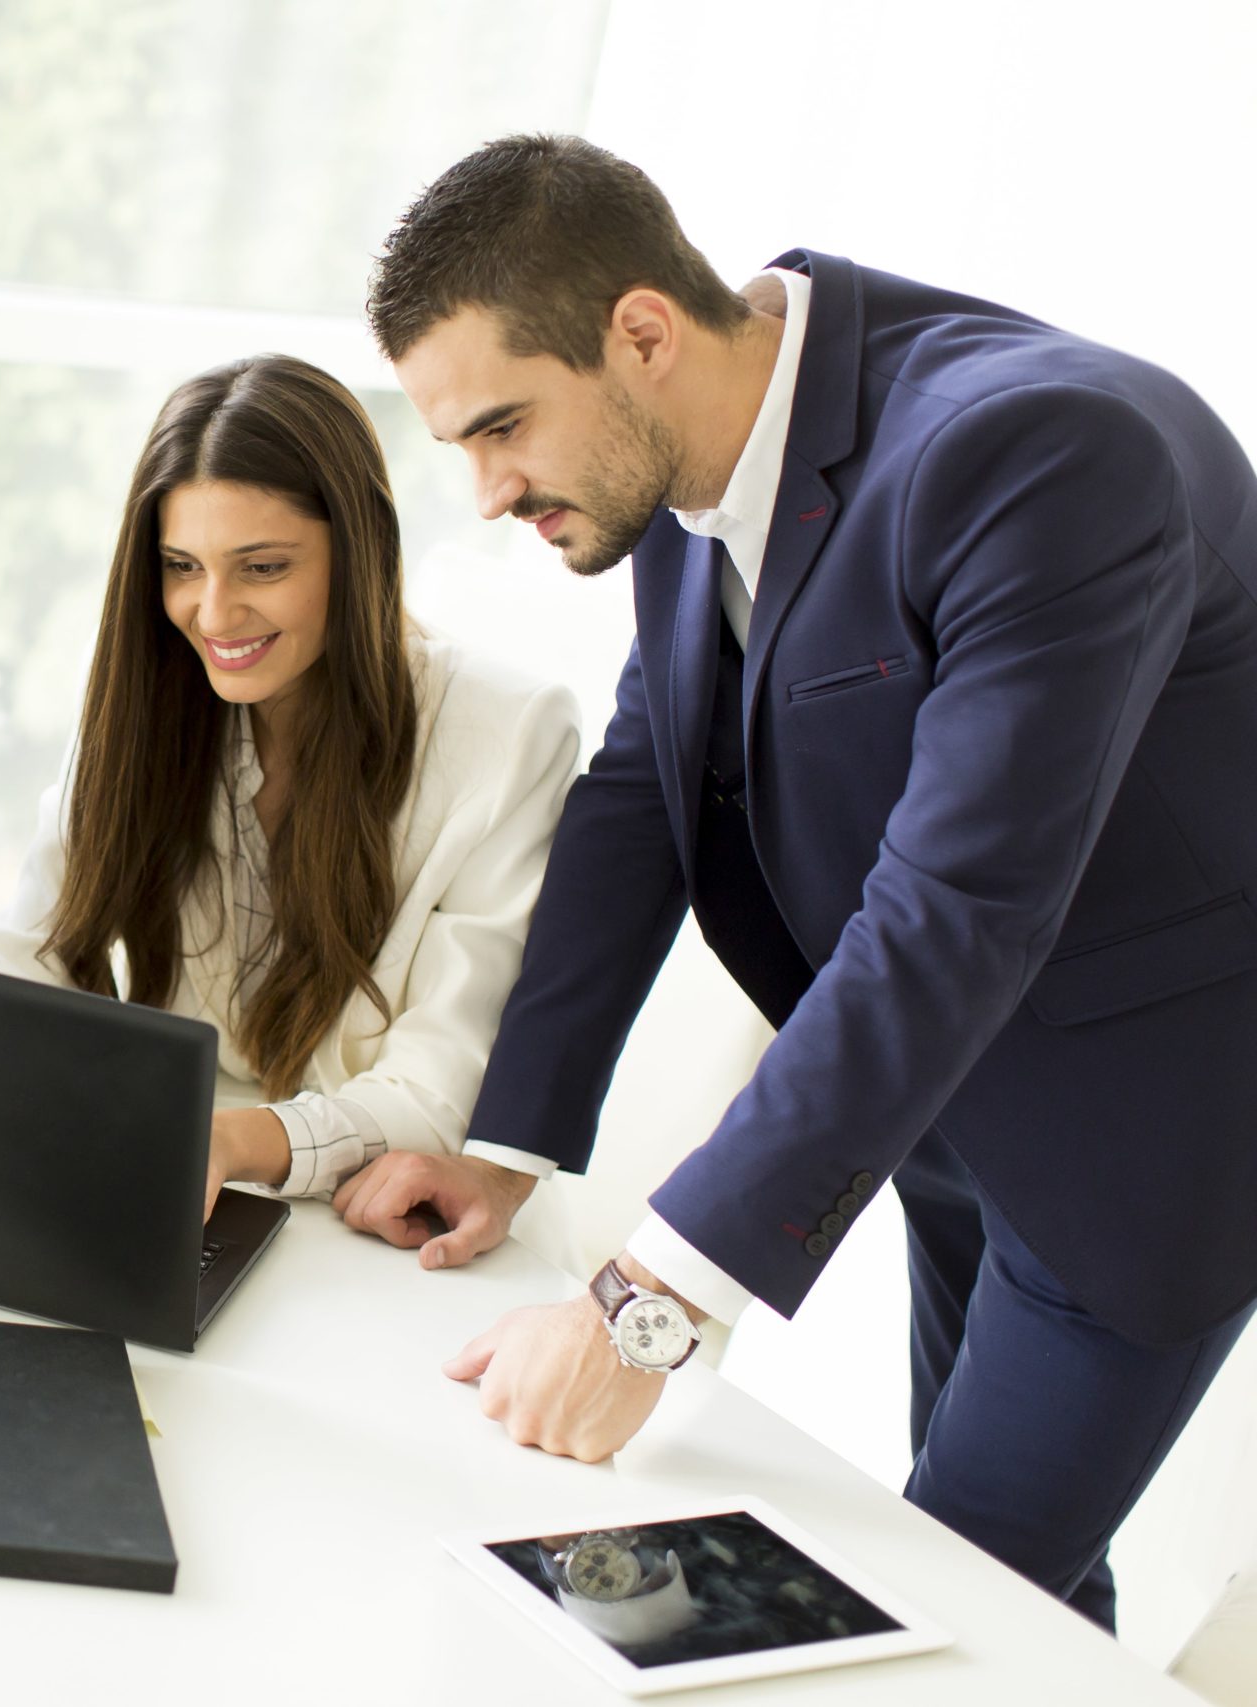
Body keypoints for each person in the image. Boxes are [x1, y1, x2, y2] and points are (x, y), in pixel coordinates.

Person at [367, 133, 1257, 1632]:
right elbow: (647, 787)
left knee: (943, 1596)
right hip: (947, 1108)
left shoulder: (1038, 453)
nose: (485, 489)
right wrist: (506, 1136)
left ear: (639, 332)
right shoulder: (677, 456)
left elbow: (952, 907)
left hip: (1145, 1136)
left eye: (502, 426)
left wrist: (640, 1309)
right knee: (1021, 1598)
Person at [0, 355, 578, 1225]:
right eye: (182, 565)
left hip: (388, 1216)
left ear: (359, 550)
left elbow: (440, 1093)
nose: (213, 614)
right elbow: (26, 969)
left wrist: (227, 1139)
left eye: (262, 567)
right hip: (175, 1177)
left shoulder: (511, 733)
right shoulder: (147, 690)